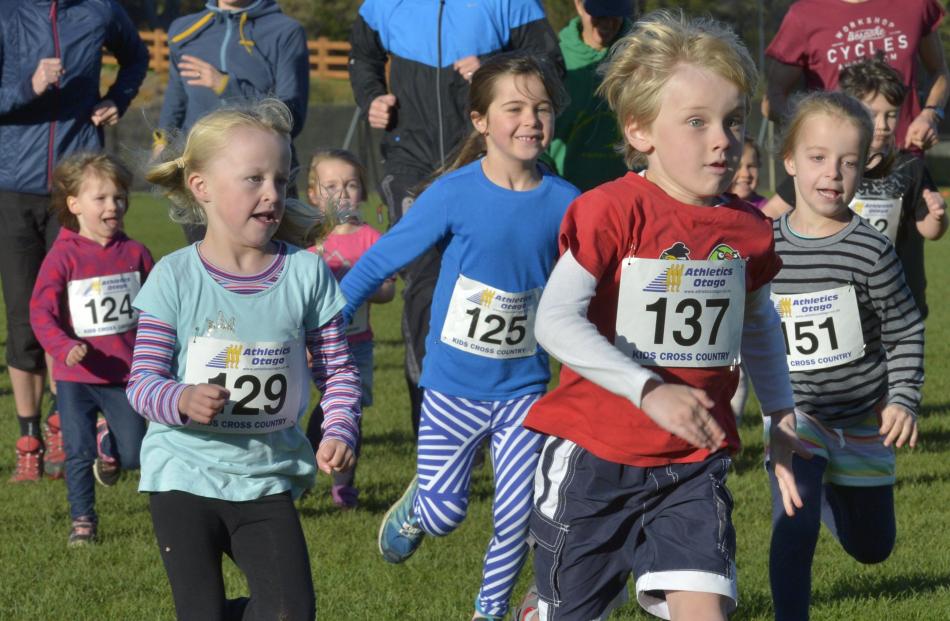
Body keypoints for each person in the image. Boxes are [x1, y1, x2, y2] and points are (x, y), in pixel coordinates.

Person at [520, 11, 807, 620]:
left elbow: (756, 326)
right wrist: (647, 388)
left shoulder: (748, 230)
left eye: (733, 121)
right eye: (697, 122)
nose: (722, 139)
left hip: (692, 461)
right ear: (641, 129)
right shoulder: (611, 210)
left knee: (707, 611)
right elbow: (554, 321)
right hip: (595, 456)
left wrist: (781, 415)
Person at [341, 54, 579, 621]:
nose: (531, 120)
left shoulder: (568, 201)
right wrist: (332, 317)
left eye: (542, 109)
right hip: (451, 386)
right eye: (514, 108)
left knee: (517, 517)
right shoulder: (452, 193)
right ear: (480, 121)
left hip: (524, 389)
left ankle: (488, 612)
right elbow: (380, 261)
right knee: (447, 514)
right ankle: (419, 509)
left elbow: (594, 282)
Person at [126, 100, 361, 619]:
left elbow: (338, 371)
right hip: (182, 474)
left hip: (264, 476)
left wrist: (340, 429)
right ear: (201, 186)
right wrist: (182, 397)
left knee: (289, 612)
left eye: (281, 179)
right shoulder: (174, 276)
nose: (272, 194)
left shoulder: (307, 274)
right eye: (253, 179)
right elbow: (141, 381)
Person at [348, 0, 564, 437]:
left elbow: (551, 71)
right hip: (412, 161)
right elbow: (362, 56)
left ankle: (504, 416)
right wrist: (371, 95)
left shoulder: (511, 4)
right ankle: (432, 423)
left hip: (492, 160)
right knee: (424, 289)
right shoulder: (383, 6)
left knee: (506, 282)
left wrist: (492, 69)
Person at [766, 90, 924, 621]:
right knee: (794, 521)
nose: (832, 173)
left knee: (872, 548)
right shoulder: (764, 249)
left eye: (848, 162)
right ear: (789, 161)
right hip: (798, 416)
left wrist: (902, 399)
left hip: (863, 419)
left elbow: (904, 330)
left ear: (863, 168)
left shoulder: (870, 249)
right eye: (817, 158)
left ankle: (834, 491)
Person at [0, 0, 148, 483]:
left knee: (80, 316)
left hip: (76, 192)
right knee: (25, 318)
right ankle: (29, 439)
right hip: (14, 186)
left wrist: (117, 100)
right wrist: (30, 86)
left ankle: (67, 423)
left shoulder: (100, 10)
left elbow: (137, 57)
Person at [763, 54, 947, 318]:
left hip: (897, 292)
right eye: (873, 115)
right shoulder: (820, 174)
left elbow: (929, 230)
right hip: (840, 293)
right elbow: (771, 213)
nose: (882, 126)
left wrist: (938, 215)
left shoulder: (911, 167)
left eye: (891, 115)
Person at [28, 153, 152, 545]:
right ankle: (83, 520)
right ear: (75, 205)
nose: (112, 206)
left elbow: (158, 308)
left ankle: (110, 444)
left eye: (118, 197)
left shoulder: (136, 254)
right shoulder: (62, 256)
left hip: (123, 374)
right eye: (100, 199)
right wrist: (63, 346)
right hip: (76, 376)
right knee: (77, 454)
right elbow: (41, 312)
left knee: (134, 456)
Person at [157, 0, 310, 243]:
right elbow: (176, 94)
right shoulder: (184, 29)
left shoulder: (285, 31)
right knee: (209, 267)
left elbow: (292, 115)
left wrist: (226, 86)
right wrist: (162, 137)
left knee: (274, 267)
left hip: (265, 175)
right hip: (202, 168)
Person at [303, 148, 395, 509]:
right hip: (312, 344)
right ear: (313, 194)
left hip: (357, 345)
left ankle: (343, 484)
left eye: (351, 184)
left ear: (362, 192)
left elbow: (389, 290)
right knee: (308, 408)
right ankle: (302, 464)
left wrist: (365, 285)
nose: (342, 193)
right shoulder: (310, 240)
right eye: (330, 186)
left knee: (350, 410)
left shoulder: (372, 238)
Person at [764, 0, 948, 152]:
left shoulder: (916, 4)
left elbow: (939, 71)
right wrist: (815, 132)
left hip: (904, 156)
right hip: (837, 163)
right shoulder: (803, 15)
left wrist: (930, 115)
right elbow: (772, 98)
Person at [546, 0, 635, 190]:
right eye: (599, 14)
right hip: (567, 192)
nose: (607, 23)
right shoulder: (555, 59)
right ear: (578, 4)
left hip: (629, 197)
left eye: (614, 15)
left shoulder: (644, 55)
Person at [729, 138, 767, 209]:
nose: (745, 174)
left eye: (751, 166)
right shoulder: (712, 206)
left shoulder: (766, 209)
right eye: (737, 166)